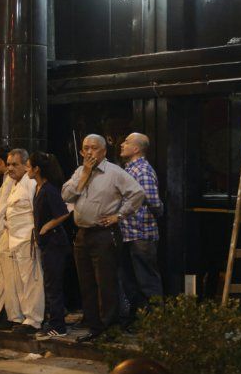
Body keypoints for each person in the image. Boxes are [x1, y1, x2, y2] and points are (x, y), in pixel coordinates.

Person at [62, 134, 145, 342]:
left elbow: (137, 193)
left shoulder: (114, 172)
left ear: (103, 151)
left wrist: (119, 215)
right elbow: (65, 195)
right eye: (85, 148)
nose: (89, 152)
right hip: (82, 234)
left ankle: (110, 327)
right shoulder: (80, 172)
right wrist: (84, 176)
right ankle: (94, 325)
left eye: (94, 148)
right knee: (86, 282)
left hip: (104, 234)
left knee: (105, 282)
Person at [0, 148, 44, 335]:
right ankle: (15, 318)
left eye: (15, 165)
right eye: (10, 164)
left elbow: (37, 210)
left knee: (30, 281)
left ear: (25, 165)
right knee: (15, 282)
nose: (10, 168)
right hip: (10, 237)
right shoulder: (11, 182)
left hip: (26, 238)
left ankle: (33, 320)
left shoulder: (30, 183)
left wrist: (36, 236)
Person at [118, 133, 164, 319]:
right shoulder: (130, 169)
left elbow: (153, 200)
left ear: (136, 148)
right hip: (130, 233)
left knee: (146, 281)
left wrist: (159, 211)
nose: (122, 144)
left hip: (141, 233)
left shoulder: (142, 170)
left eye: (127, 142)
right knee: (132, 280)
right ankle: (140, 319)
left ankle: (154, 321)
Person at [27, 151, 71, 339]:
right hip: (46, 243)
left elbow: (64, 213)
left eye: (29, 166)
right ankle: (53, 320)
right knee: (49, 284)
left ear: (37, 169)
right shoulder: (39, 188)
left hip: (55, 243)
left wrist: (46, 227)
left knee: (53, 285)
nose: (27, 169)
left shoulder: (49, 189)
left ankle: (58, 326)